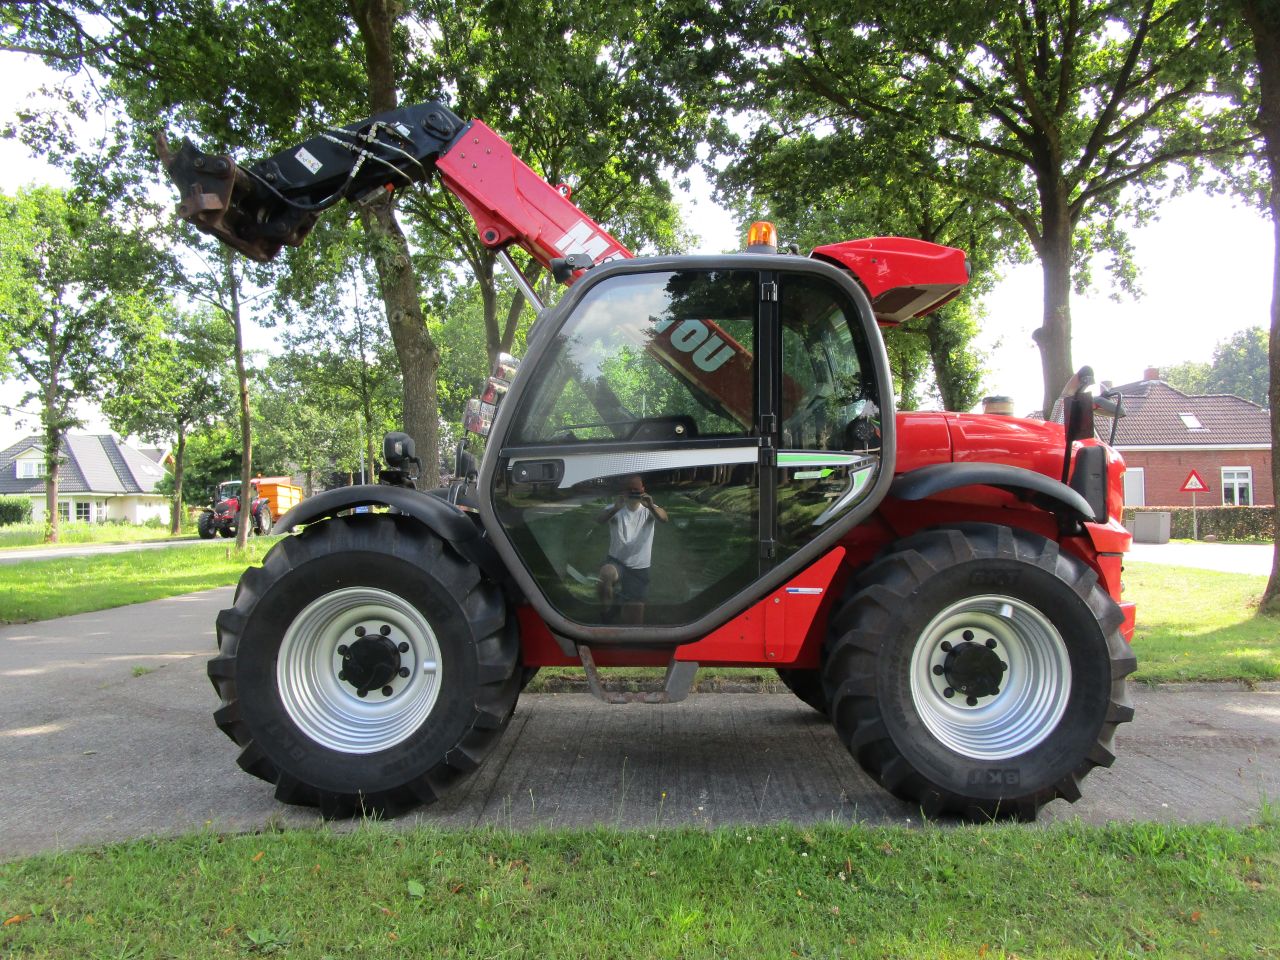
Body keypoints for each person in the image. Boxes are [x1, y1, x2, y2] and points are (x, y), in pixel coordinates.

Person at [595, 474, 668, 623]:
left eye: (636, 490)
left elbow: (664, 518)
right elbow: (599, 520)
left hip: (639, 568)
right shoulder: (614, 508)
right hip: (616, 561)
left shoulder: (649, 509)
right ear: (624, 491)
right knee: (606, 573)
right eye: (630, 490)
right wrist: (615, 508)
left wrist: (651, 506)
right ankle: (605, 612)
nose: (633, 492)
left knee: (635, 622)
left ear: (643, 490)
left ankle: (619, 601)